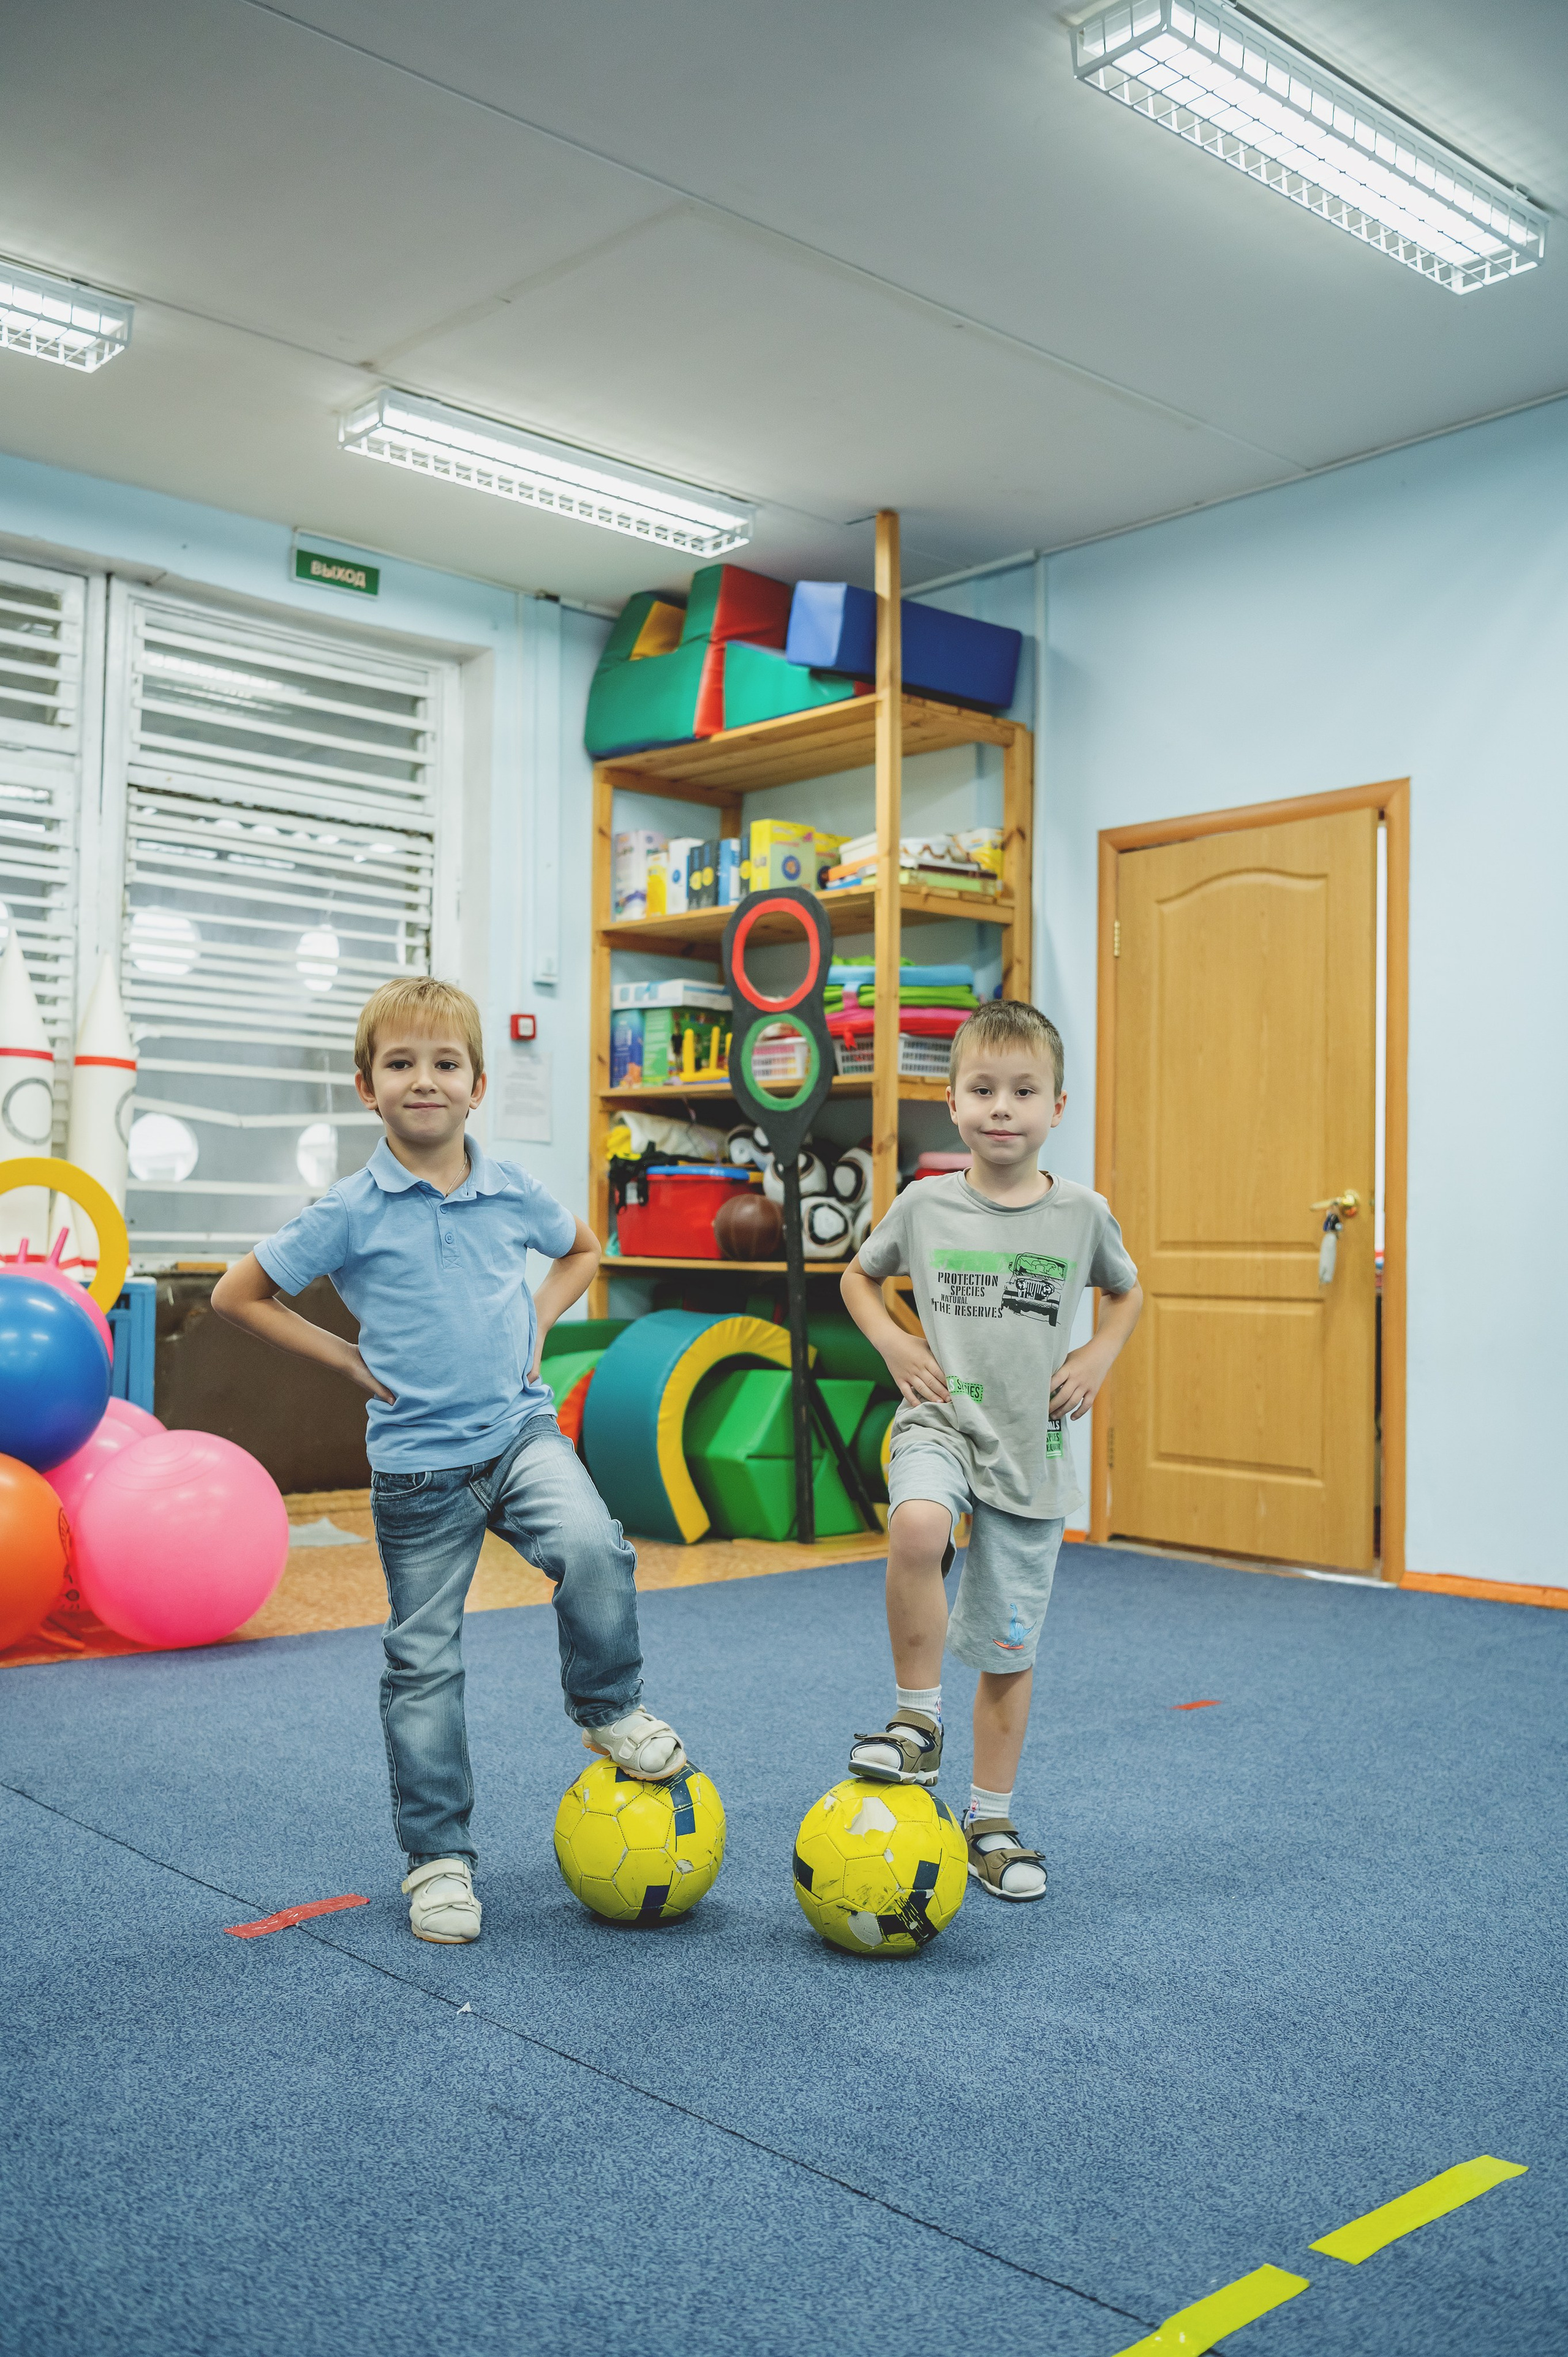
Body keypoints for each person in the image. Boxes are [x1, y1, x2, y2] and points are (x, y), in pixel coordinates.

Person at [212, 977, 686, 1947]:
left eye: (444, 1063)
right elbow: (237, 1294)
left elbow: (582, 1250)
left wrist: (538, 1323)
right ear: (367, 1087)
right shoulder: (349, 1209)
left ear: (477, 1085)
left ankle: (608, 1707)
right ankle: (438, 1860)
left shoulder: (509, 1188)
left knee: (595, 1548)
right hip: (419, 1469)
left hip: (519, 1434)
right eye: (400, 1064)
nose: (423, 1080)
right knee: (423, 1663)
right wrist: (346, 1359)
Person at [839, 1000, 1142, 1902]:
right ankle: (916, 1723)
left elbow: (1125, 1293)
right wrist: (895, 1344)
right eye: (982, 1090)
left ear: (1057, 1106)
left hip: (1029, 1450)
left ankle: (991, 1822)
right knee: (917, 1526)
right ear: (952, 1102)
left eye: (1023, 1091)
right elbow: (858, 1276)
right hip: (941, 1420)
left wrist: (1097, 1354)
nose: (1002, 1107)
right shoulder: (925, 1204)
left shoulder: (1083, 1214)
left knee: (1009, 1653)